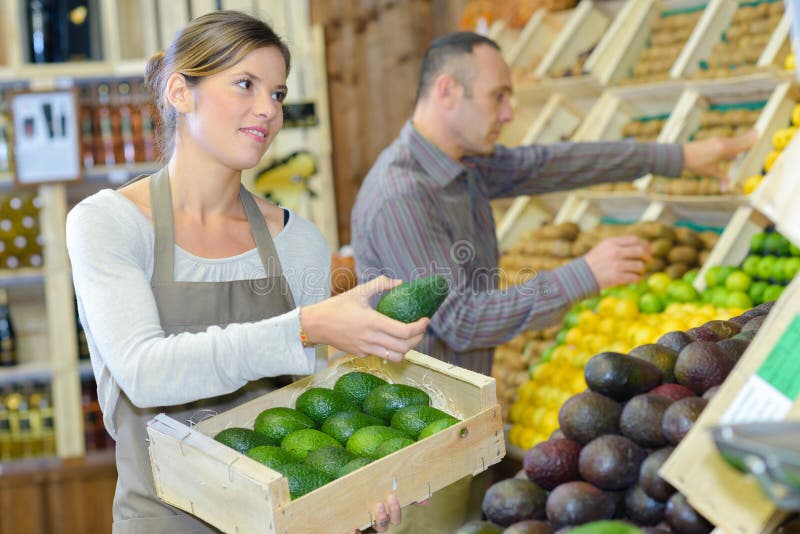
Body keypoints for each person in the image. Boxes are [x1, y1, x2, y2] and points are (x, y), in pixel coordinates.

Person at [350, 31, 756, 532]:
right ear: (448, 91)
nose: (508, 113)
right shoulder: (403, 195)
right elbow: (460, 321)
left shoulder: (463, 167)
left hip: (462, 420)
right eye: (499, 95)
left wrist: (680, 158)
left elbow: (556, 163)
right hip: (417, 438)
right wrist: (585, 274)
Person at [66, 11, 426, 534]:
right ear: (180, 92)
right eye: (245, 84)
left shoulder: (297, 241)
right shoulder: (108, 223)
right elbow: (144, 373)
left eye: (277, 94)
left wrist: (358, 496)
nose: (268, 110)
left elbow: (307, 411)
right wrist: (305, 325)